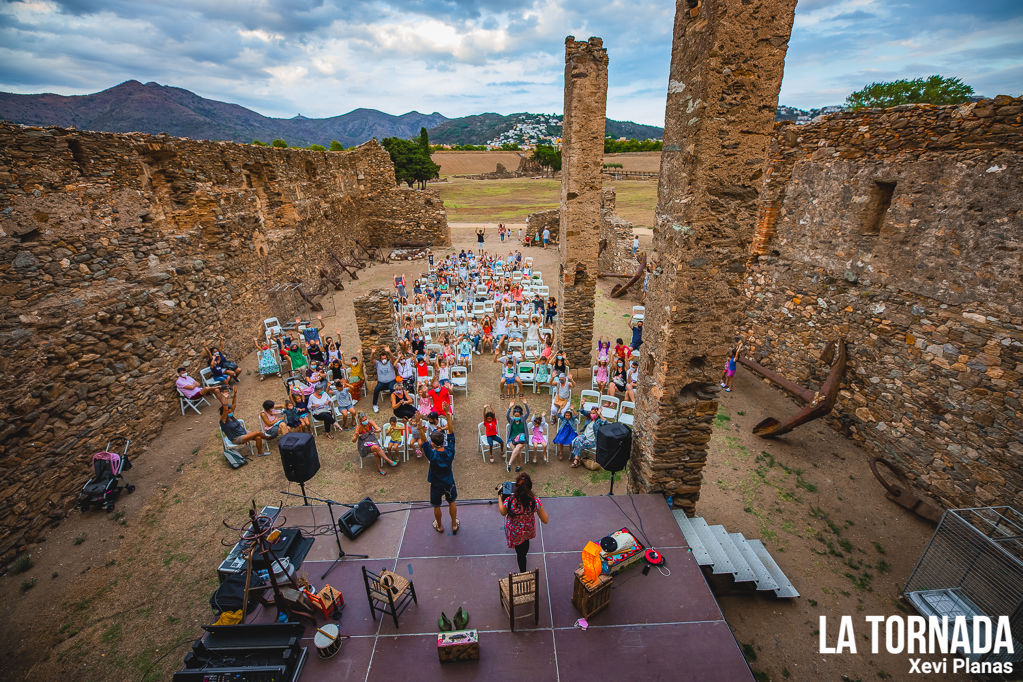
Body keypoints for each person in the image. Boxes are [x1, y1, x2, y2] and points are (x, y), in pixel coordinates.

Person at [498, 472, 548, 572]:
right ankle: (524, 553)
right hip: (527, 529)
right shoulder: (535, 501)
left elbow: (503, 512)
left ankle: (523, 572)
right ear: (530, 487)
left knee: (520, 554)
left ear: (516, 487)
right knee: (525, 545)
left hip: (515, 532)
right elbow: (545, 520)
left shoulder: (510, 500)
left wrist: (499, 497)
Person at [419, 410, 458, 534]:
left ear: (433, 443)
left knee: (436, 505)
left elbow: (423, 441)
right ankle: (454, 525)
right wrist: (448, 415)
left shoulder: (432, 454)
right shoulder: (450, 451)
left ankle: (440, 526)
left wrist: (420, 427)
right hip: (449, 482)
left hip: (436, 484)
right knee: (452, 501)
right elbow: (451, 432)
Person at [217, 387, 266, 453]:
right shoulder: (223, 420)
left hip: (243, 432)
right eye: (229, 411)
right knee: (258, 433)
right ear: (224, 413)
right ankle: (268, 438)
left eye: (231, 410)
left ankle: (260, 452)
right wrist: (225, 398)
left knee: (258, 437)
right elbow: (225, 409)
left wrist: (235, 394)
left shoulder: (231, 416)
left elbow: (234, 405)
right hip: (236, 438)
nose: (231, 412)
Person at [505, 400, 531, 472]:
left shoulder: (523, 419)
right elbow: (507, 415)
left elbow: (528, 413)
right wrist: (510, 408)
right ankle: (518, 465)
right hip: (512, 439)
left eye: (518, 415)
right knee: (518, 452)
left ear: (520, 415)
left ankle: (509, 464)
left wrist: (525, 404)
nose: (516, 417)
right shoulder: (511, 420)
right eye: (515, 415)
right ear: (513, 415)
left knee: (519, 447)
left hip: (521, 439)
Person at [371, 345, 399, 413]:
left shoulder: (390, 362)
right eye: (383, 359)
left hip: (391, 381)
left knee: (393, 389)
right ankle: (375, 405)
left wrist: (389, 351)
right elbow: (371, 360)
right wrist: (372, 353)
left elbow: (392, 358)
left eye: (385, 358)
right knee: (376, 389)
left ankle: (396, 403)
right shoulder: (378, 364)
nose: (384, 360)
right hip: (381, 383)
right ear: (380, 359)